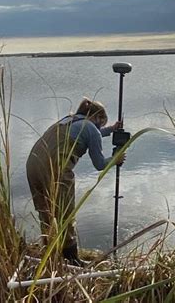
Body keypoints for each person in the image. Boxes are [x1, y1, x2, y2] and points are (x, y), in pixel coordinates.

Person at [26, 97, 124, 265]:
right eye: (101, 123)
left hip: (33, 165)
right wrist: (115, 159)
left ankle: (49, 255)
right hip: (55, 169)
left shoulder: (70, 120)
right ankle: (72, 259)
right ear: (97, 118)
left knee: (46, 211)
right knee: (65, 213)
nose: (99, 127)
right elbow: (100, 164)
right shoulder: (91, 129)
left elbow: (91, 132)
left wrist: (111, 130)